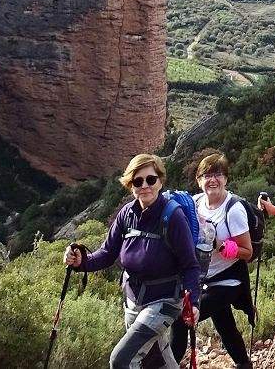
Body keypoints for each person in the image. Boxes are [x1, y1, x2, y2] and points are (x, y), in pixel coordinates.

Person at [66, 153, 201, 369]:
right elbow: (107, 253)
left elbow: (190, 265)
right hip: (133, 300)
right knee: (156, 361)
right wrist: (81, 262)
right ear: (130, 185)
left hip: (164, 301)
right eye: (138, 181)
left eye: (151, 179)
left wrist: (193, 301)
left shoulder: (173, 217)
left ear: (160, 181)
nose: (145, 185)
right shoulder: (126, 214)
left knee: (121, 360)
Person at [170, 151, 254, 369]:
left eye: (218, 174)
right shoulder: (195, 204)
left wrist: (219, 244)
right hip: (202, 278)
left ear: (226, 179)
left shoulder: (233, 209)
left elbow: (248, 252)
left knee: (182, 320)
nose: (212, 180)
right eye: (206, 175)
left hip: (228, 280)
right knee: (224, 324)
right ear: (199, 181)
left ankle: (167, 366)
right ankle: (244, 364)